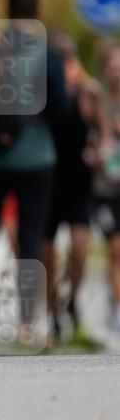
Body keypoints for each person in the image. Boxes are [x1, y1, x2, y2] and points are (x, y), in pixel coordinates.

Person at [0, 0, 71, 337]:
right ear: (37, 11)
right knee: (30, 238)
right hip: (36, 157)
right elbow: (61, 110)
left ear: (8, 12)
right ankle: (26, 322)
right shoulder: (48, 54)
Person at [41, 30, 102, 340]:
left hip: (78, 181)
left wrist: (100, 149)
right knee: (48, 257)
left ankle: (73, 299)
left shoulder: (86, 90)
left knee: (79, 250)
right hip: (48, 181)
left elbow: (100, 130)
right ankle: (53, 315)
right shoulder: (41, 94)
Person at [90, 40, 120, 333]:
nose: (116, 69)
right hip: (104, 188)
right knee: (115, 249)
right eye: (110, 64)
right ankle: (118, 308)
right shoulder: (96, 100)